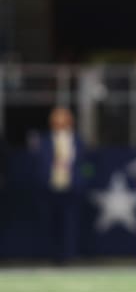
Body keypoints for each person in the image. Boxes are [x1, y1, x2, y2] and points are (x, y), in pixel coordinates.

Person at [33, 106, 87, 264]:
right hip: (49, 188)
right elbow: (38, 164)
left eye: (64, 117)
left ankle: (69, 257)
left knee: (71, 224)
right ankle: (53, 257)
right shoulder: (43, 141)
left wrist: (83, 180)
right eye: (57, 118)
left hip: (72, 188)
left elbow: (87, 166)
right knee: (50, 223)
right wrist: (42, 180)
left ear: (70, 120)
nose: (60, 121)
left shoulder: (78, 140)